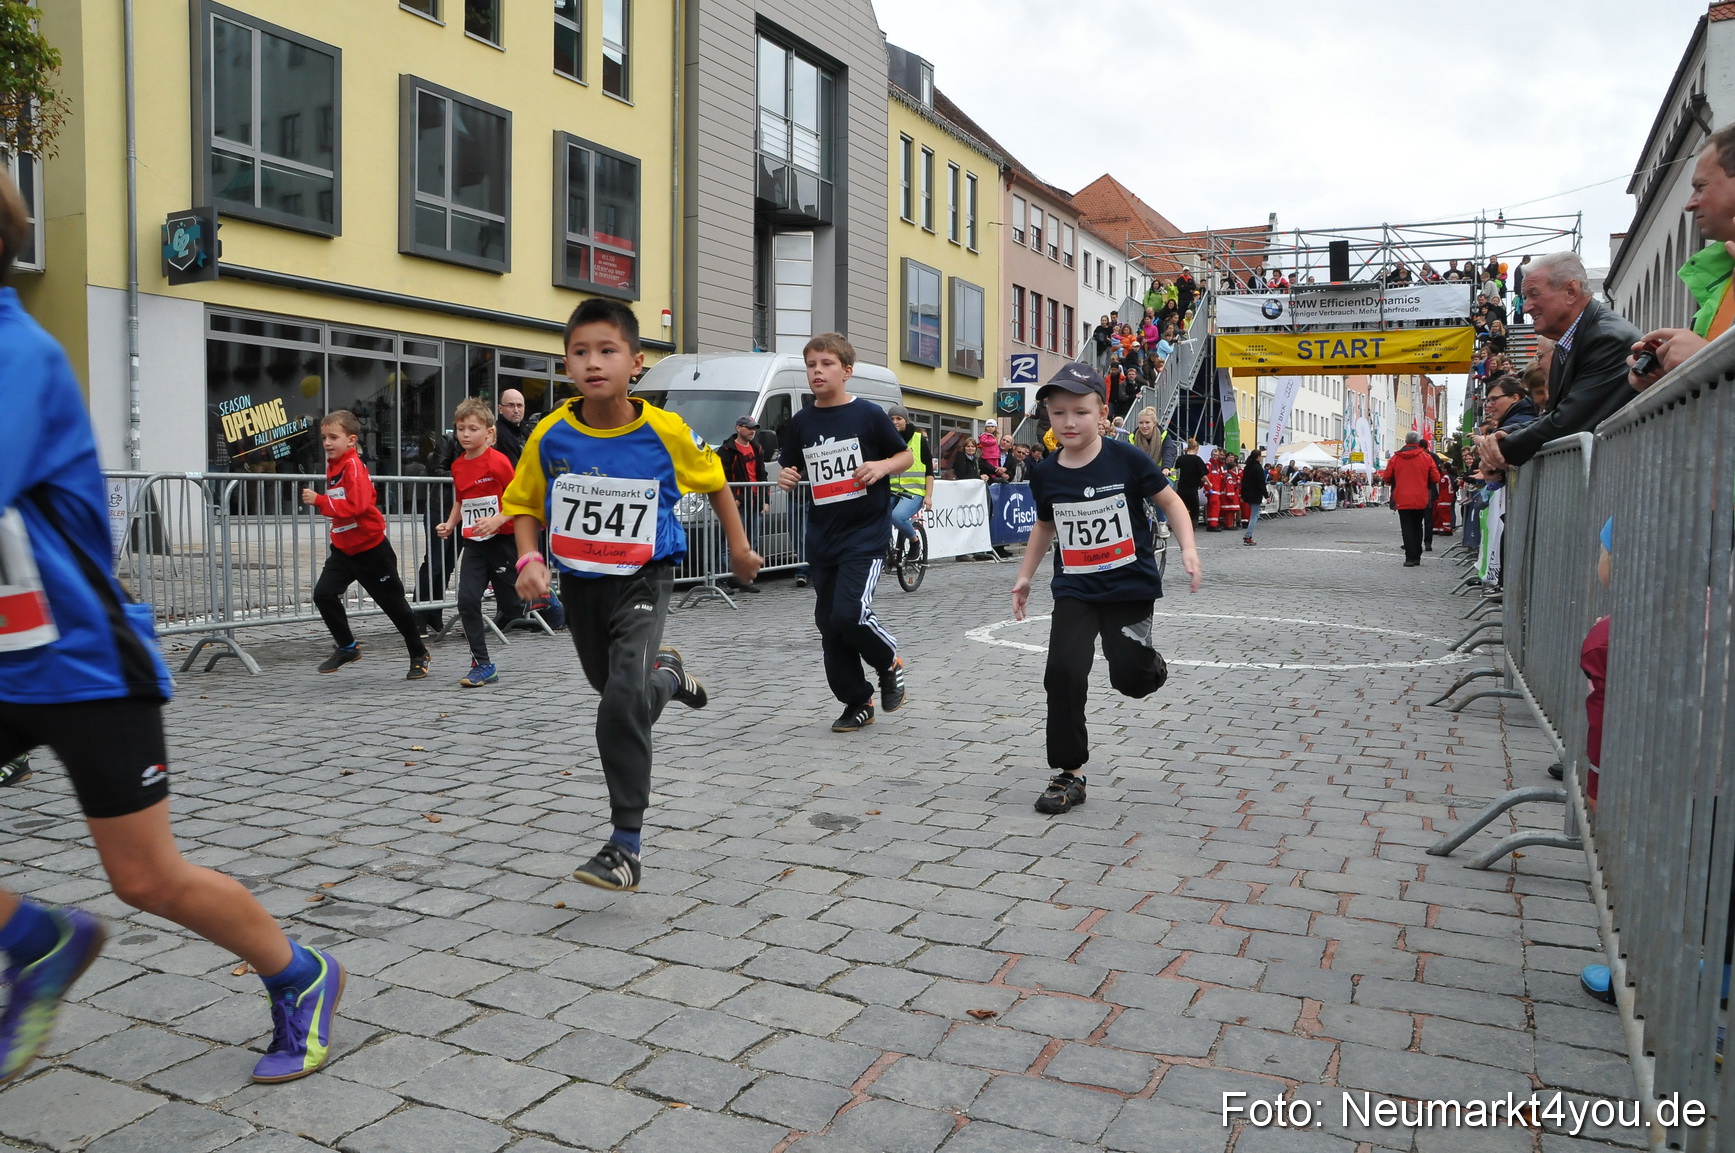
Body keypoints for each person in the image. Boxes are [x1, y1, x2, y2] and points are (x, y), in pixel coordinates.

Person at [0, 171, 344, 1087]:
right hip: (3, 665)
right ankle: (36, 941)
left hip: (83, 663)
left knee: (145, 877)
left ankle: (301, 973)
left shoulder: (14, 353)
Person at [506, 298, 761, 892]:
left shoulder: (665, 430)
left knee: (618, 702)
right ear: (567, 364)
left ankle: (625, 844)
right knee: (614, 691)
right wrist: (529, 558)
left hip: (646, 578)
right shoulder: (550, 433)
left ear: (636, 362)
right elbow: (523, 505)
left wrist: (740, 549)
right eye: (580, 352)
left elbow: (717, 482)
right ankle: (668, 678)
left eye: (607, 350)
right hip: (582, 585)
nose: (594, 362)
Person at [1010, 362, 1202, 816]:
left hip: (1129, 586)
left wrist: (1188, 548)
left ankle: (1150, 664)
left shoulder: (1127, 458)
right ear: (1049, 418)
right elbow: (1044, 525)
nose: (1069, 422)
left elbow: (1171, 501)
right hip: (1075, 589)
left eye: (1080, 411)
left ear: (1101, 413)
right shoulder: (1045, 472)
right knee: (1062, 672)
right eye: (1059, 413)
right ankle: (1068, 772)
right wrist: (1024, 576)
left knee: (1131, 679)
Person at [777, 334, 913, 733]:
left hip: (865, 534)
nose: (817, 371)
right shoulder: (802, 421)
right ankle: (857, 700)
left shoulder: (868, 414)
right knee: (829, 623)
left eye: (826, 364)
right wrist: (787, 475)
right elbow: (791, 466)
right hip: (823, 537)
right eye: (811, 365)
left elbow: (905, 454)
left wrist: (883, 467)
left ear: (846, 371)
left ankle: (888, 661)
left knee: (850, 613)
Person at [1479, 253, 1641, 472]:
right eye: (1525, 297)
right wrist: (1507, 433)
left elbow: (1570, 421)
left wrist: (1501, 449)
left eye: (1533, 295)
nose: (1526, 307)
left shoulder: (1606, 339)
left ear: (1571, 291)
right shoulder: (1574, 340)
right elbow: (1555, 415)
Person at [304, 411, 432, 679]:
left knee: (394, 607)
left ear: (351, 440)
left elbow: (358, 506)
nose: (327, 443)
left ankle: (418, 653)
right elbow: (342, 505)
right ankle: (348, 647)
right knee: (323, 594)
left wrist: (320, 501)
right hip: (343, 550)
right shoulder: (332, 465)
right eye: (324, 438)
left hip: (371, 550)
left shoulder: (353, 466)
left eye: (334, 437)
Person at [1628, 125, 1735, 392]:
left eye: (1700, 187)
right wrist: (1671, 378)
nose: (1690, 203)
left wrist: (1708, 360)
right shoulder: (1722, 275)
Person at [434, 397, 520, 687]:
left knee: (514, 605)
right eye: (460, 429)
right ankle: (482, 665)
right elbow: (462, 500)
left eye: (472, 428)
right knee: (467, 601)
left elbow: (517, 500)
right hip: (474, 543)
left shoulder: (499, 462)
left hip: (504, 541)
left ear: (488, 432)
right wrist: (450, 523)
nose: (466, 434)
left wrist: (497, 520)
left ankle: (550, 600)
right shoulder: (458, 466)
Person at [716, 415, 774, 591]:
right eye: (749, 428)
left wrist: (765, 500)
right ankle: (722, 578)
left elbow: (762, 475)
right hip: (738, 504)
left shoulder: (757, 448)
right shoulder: (727, 450)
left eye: (754, 428)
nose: (752, 431)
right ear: (738, 428)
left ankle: (744, 579)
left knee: (751, 543)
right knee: (729, 544)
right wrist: (732, 498)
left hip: (755, 502)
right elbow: (721, 476)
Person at [1381, 431, 1443, 566]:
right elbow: (1436, 477)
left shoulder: (1396, 458)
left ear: (1405, 441)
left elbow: (1386, 477)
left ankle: (1409, 557)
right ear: (1418, 441)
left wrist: (1397, 480)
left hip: (1402, 496)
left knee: (1406, 526)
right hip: (1421, 496)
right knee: (1418, 525)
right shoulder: (1426, 458)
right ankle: (1417, 556)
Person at [887, 406, 933, 551]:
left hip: (914, 492)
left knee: (897, 517)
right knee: (877, 518)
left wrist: (928, 496)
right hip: (891, 490)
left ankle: (914, 541)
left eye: (899, 419)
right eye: (892, 419)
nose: (895, 422)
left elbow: (929, 470)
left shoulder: (919, 439)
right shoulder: (885, 439)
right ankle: (886, 550)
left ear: (906, 421)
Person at [1240, 448, 1269, 545]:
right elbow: (1261, 483)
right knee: (1254, 515)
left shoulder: (1247, 467)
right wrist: (1266, 495)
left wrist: (1242, 494)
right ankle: (1248, 536)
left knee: (1255, 514)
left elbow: (1244, 482)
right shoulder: (1258, 468)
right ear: (1258, 457)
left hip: (1248, 494)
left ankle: (1248, 536)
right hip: (1256, 494)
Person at [1176, 438, 1206, 527]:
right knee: (1194, 507)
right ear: (1196, 448)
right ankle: (1193, 525)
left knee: (1181, 506)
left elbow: (1175, 470)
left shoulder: (1180, 458)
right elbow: (1203, 475)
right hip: (1192, 488)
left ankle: (1180, 524)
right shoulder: (1197, 460)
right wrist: (1209, 483)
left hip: (1181, 487)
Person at [496, 387, 530, 464]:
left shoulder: (526, 430)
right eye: (511, 405)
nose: (516, 410)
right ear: (500, 409)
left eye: (519, 405)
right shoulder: (498, 434)